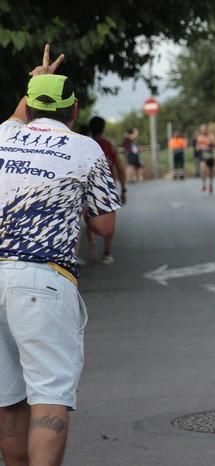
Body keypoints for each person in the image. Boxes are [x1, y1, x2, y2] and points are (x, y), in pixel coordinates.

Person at [0, 44, 121, 466]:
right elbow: (104, 225)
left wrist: (36, 80)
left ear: (29, 106)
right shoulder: (86, 149)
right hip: (42, 283)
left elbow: (20, 115)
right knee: (49, 398)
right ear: (74, 111)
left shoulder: (3, 134)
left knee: (8, 398)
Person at [87, 115, 127, 264]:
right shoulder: (109, 146)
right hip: (106, 188)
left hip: (88, 186)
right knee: (109, 219)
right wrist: (123, 190)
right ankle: (107, 252)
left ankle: (92, 243)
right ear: (103, 128)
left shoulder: (85, 145)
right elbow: (120, 168)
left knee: (88, 216)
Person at [196, 124, 215, 194]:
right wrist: (199, 147)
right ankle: (204, 184)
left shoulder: (211, 136)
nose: (203, 130)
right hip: (202, 155)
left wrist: (211, 144)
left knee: (211, 171)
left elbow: (214, 144)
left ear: (206, 129)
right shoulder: (199, 137)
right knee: (203, 169)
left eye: (204, 129)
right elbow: (197, 147)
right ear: (200, 130)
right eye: (202, 129)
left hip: (210, 154)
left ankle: (210, 184)